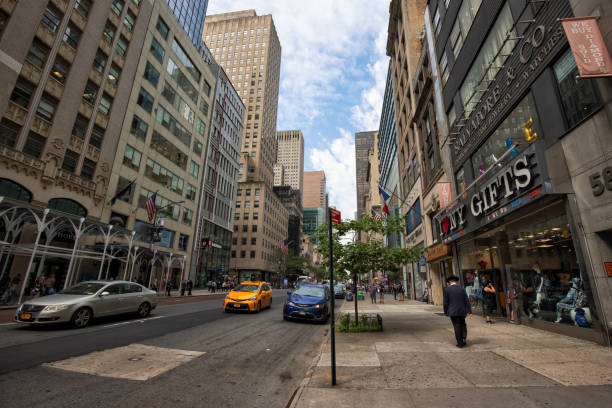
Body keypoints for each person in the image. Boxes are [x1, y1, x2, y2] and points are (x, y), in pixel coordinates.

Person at [443, 275, 472, 348]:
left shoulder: (447, 290)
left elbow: (446, 302)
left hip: (452, 311)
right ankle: (463, 339)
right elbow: (466, 300)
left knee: (456, 326)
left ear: (450, 282)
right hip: (462, 311)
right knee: (463, 324)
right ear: (456, 281)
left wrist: (445, 311)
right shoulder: (461, 289)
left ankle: (460, 343)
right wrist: (469, 311)